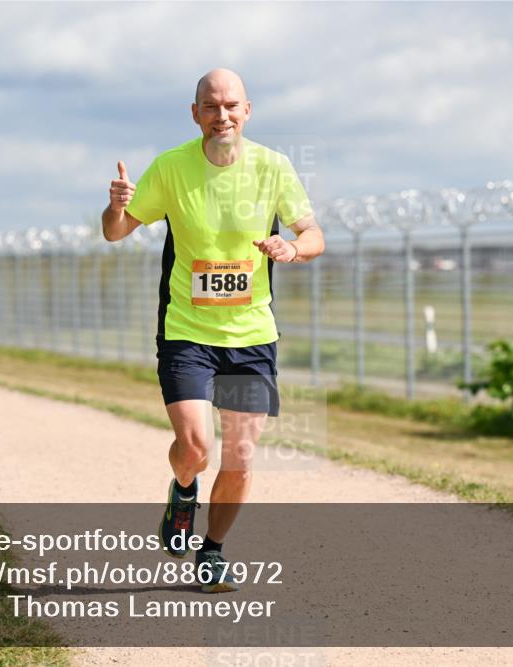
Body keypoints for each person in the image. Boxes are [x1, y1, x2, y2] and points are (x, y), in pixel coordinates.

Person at [101, 68, 325, 593]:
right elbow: (116, 233)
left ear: (247, 111)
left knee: (241, 455)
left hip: (250, 335)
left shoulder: (273, 167)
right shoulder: (171, 167)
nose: (221, 115)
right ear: (195, 112)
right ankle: (184, 491)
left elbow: (312, 233)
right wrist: (114, 208)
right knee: (196, 446)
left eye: (231, 106)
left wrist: (293, 249)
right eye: (210, 106)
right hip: (187, 330)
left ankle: (213, 551)